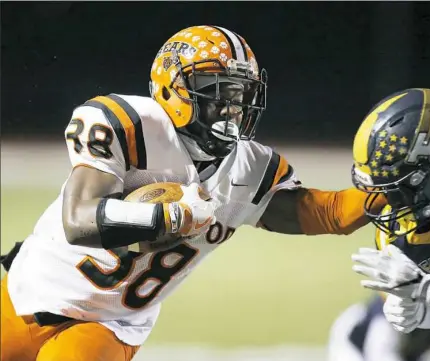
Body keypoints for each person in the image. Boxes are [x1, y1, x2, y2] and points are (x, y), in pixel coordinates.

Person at [0, 25, 385, 361]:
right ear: (173, 90)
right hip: (29, 291)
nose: (231, 108)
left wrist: (394, 188)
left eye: (239, 95)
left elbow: (328, 213)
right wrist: (168, 217)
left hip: (111, 323)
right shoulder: (131, 127)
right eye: (217, 93)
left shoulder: (248, 168)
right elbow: (80, 221)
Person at [349, 88, 430, 333]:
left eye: (397, 189)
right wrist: (417, 310)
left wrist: (428, 288)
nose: (387, 201)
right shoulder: (395, 236)